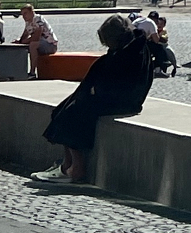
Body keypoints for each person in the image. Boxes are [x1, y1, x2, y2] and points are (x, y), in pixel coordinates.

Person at [38, 15, 153, 183]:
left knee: (73, 112)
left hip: (123, 101)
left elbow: (119, 81)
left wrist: (96, 91)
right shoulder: (132, 47)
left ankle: (76, 167)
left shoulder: (130, 52)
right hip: (122, 97)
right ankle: (67, 163)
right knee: (66, 106)